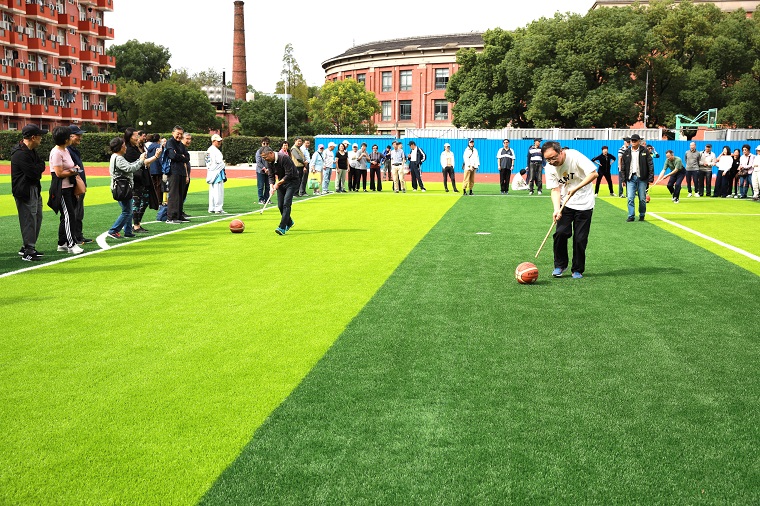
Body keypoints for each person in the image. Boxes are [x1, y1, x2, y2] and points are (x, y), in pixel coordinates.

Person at [542, 141, 598, 279]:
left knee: (580, 239)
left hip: (585, 203)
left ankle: (577, 269)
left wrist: (576, 188)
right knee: (560, 233)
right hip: (565, 203)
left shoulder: (574, 156)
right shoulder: (549, 168)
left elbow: (593, 174)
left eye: (553, 158)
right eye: (548, 159)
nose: (551, 162)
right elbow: (555, 189)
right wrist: (556, 209)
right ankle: (560, 265)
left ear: (561, 152)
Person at [11, 124, 47, 261]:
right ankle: (28, 250)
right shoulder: (20, 153)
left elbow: (40, 165)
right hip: (25, 190)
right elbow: (34, 172)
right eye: (39, 136)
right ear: (33, 137)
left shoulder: (30, 151)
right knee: (29, 219)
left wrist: (38, 167)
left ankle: (28, 247)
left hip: (33, 188)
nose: (41, 139)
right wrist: (38, 168)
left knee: (37, 217)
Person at [47, 126, 83, 255]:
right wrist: (74, 171)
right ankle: (71, 244)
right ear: (65, 139)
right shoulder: (56, 152)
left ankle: (62, 243)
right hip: (61, 189)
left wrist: (74, 169)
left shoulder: (65, 150)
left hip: (69, 187)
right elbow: (59, 173)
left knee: (66, 216)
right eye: (69, 136)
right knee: (69, 216)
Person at [106, 137, 147, 239]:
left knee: (128, 210)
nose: (126, 148)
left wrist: (139, 160)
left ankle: (128, 231)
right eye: (124, 146)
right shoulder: (119, 158)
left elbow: (129, 165)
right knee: (127, 211)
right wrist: (141, 161)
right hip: (122, 188)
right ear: (120, 147)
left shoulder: (115, 157)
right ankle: (113, 230)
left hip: (121, 187)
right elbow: (130, 168)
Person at [124, 127, 158, 234]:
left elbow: (144, 162)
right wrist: (156, 157)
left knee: (145, 201)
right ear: (129, 137)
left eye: (138, 135)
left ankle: (137, 223)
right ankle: (136, 225)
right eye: (135, 135)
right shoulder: (129, 150)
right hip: (136, 179)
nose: (138, 137)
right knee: (137, 202)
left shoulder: (137, 147)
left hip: (143, 177)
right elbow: (141, 163)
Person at [260, 146, 300, 235]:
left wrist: (278, 184)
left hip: (292, 181)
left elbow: (289, 174)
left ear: (271, 153)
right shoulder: (269, 161)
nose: (264, 159)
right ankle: (289, 222)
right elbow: (271, 175)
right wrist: (271, 186)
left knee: (286, 204)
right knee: (280, 205)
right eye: (263, 158)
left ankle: (282, 227)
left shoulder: (284, 158)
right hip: (282, 182)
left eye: (265, 157)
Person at [66, 124, 92, 245]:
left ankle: (78, 235)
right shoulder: (67, 151)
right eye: (78, 135)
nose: (80, 137)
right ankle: (73, 237)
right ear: (70, 136)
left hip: (79, 185)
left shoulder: (73, 150)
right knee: (75, 212)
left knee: (79, 212)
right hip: (74, 186)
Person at [619, 134, 654, 221]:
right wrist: (623, 179)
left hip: (642, 178)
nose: (633, 142)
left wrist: (650, 178)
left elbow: (650, 164)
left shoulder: (645, 151)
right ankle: (631, 216)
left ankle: (642, 214)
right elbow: (623, 166)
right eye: (632, 140)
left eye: (635, 140)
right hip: (630, 178)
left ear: (639, 141)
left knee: (642, 198)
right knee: (630, 198)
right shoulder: (627, 152)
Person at [164, 125, 190, 223]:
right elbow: (172, 156)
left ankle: (179, 215)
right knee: (174, 194)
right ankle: (171, 217)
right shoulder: (170, 142)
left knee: (181, 194)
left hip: (181, 171)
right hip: (173, 171)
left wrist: (180, 156)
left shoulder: (180, 144)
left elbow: (187, 157)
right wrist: (181, 156)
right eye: (177, 134)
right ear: (173, 133)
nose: (179, 136)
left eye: (181, 134)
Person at [205, 134, 226, 213]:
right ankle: (218, 208)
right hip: (216, 172)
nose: (220, 143)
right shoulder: (213, 151)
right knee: (218, 191)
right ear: (213, 141)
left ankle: (212, 207)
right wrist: (222, 165)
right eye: (218, 141)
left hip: (213, 172)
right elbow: (217, 163)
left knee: (213, 191)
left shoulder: (210, 150)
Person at [146, 134, 165, 214]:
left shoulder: (149, 147)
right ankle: (159, 201)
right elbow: (161, 158)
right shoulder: (158, 147)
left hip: (151, 168)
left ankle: (152, 201)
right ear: (159, 139)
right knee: (159, 186)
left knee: (153, 186)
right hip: (157, 168)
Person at [255, 137, 271, 204]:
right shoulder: (259, 151)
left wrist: (269, 169)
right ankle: (261, 199)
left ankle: (267, 198)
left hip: (269, 171)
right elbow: (258, 162)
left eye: (267, 143)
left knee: (268, 186)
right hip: (260, 171)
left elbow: (272, 160)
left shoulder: (270, 151)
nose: (265, 145)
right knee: (261, 186)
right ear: (261, 144)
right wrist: (264, 169)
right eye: (264, 143)